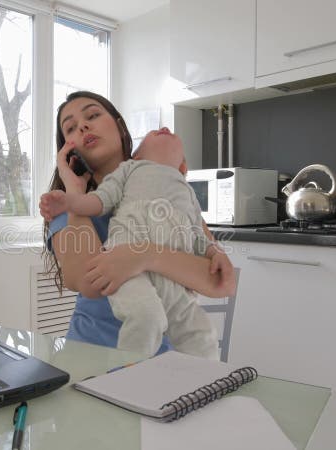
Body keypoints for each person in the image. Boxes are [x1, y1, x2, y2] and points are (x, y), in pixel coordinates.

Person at [41, 91, 236, 356]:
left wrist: (144, 256)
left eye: (93, 115)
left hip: (162, 360)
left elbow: (219, 282)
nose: (84, 126)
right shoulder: (69, 207)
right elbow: (86, 282)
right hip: (89, 356)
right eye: (71, 128)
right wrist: (75, 191)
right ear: (69, 150)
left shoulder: (169, 198)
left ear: (119, 125)